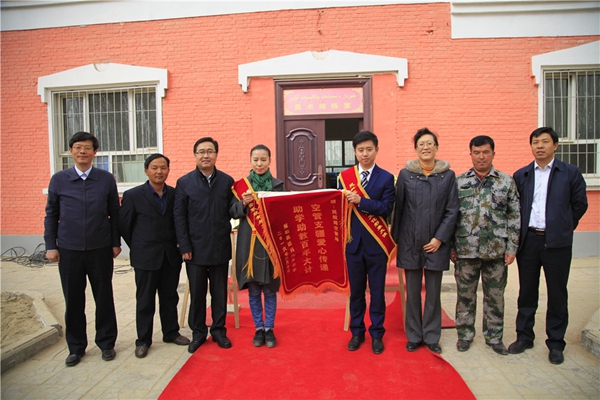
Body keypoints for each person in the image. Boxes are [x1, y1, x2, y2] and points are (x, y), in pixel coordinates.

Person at [509, 127, 588, 365]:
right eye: (535, 142)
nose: (540, 146)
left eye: (545, 142)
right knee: (527, 292)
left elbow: (579, 204)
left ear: (555, 145)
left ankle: (555, 343)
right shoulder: (522, 174)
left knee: (557, 293)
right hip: (529, 241)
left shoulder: (570, 173)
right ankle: (524, 336)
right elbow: (516, 208)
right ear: (531, 146)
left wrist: (562, 226)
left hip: (557, 243)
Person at [44, 131, 120, 367]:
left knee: (104, 298)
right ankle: (76, 347)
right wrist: (51, 246)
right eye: (78, 147)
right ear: (71, 151)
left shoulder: (106, 179)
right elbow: (51, 214)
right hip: (69, 250)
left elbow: (114, 214)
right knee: (74, 301)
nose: (82, 152)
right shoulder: (59, 179)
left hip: (100, 249)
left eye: (87, 148)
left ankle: (106, 344)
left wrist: (115, 242)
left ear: (95, 152)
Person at [450, 136, 520, 355]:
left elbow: (514, 215)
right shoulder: (459, 182)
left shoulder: (506, 182)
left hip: (496, 251)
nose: (481, 156)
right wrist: (452, 247)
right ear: (470, 154)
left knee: (495, 296)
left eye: (486, 152)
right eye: (477, 152)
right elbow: (451, 216)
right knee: (465, 296)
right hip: (465, 250)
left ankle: (494, 336)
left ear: (493, 154)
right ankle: (465, 335)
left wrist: (512, 248)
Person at [391, 127, 458, 354]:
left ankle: (431, 336)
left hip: (435, 244)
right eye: (421, 144)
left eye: (430, 143)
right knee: (411, 293)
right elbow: (398, 209)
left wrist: (440, 239)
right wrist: (397, 240)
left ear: (437, 148)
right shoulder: (406, 175)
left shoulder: (448, 176)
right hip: (410, 242)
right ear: (416, 149)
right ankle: (413, 335)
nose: (426, 147)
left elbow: (452, 211)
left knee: (433, 292)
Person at [118, 154, 190, 359]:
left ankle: (171, 332)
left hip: (170, 256)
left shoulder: (175, 194)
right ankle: (143, 340)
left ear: (168, 170)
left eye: (163, 168)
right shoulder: (133, 195)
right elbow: (124, 225)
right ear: (146, 170)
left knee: (170, 296)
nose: (159, 171)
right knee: (145, 299)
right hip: (145, 257)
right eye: (154, 167)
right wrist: (139, 245)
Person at [173, 137, 235, 353]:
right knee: (197, 294)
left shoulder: (227, 181)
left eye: (210, 151)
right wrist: (184, 246)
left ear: (216, 154)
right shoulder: (184, 182)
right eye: (201, 151)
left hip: (219, 247)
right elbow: (179, 217)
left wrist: (245, 203)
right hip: (195, 250)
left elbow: (232, 210)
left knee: (219, 293)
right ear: (195, 155)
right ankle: (198, 333)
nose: (206, 155)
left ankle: (219, 331)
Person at [339, 130, 396, 355]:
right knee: (356, 292)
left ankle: (377, 333)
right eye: (360, 150)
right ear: (354, 152)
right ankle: (356, 332)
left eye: (369, 149)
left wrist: (361, 201)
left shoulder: (386, 177)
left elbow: (386, 208)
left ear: (376, 150)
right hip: (353, 245)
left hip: (376, 245)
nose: (365, 154)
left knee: (378, 292)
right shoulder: (344, 178)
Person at [230, 145, 284, 348]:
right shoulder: (241, 186)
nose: (259, 164)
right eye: (256, 160)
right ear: (250, 161)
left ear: (270, 161)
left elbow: (283, 213)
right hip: (249, 242)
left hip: (270, 243)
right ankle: (258, 329)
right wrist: (242, 204)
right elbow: (232, 212)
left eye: (263, 160)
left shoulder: (278, 185)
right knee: (253, 290)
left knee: (269, 290)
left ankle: (269, 328)